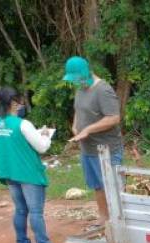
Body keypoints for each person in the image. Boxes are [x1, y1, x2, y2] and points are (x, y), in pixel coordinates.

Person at [0, 87, 59, 243]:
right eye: (19, 101)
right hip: (28, 173)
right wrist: (46, 136)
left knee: (20, 210)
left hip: (9, 173)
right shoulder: (23, 124)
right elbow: (42, 147)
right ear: (13, 103)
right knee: (35, 212)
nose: (21, 104)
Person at [63, 56, 122, 227]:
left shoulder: (103, 90)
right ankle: (104, 218)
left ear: (86, 73)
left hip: (107, 149)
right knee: (97, 185)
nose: (76, 83)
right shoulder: (81, 88)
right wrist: (75, 126)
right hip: (87, 148)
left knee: (112, 186)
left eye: (78, 79)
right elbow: (78, 111)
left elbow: (114, 118)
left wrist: (88, 129)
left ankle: (118, 221)